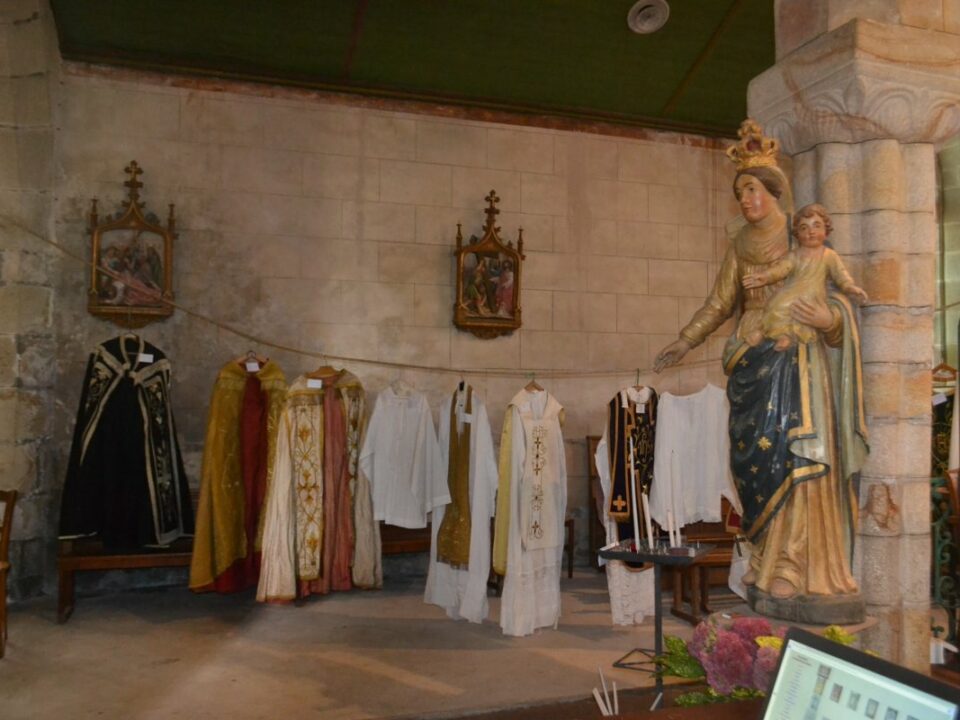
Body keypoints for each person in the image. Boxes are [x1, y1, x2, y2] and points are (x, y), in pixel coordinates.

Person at [654, 120, 868, 619]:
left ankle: (796, 565)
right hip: (751, 359)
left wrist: (829, 320)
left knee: (795, 457)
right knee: (754, 463)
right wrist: (686, 339)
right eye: (739, 193)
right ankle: (769, 559)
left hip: (798, 362)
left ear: (774, 192)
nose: (746, 200)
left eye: (752, 189)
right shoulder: (739, 247)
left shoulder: (803, 237)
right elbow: (719, 302)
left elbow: (838, 302)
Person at [743, 203, 868, 351]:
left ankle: (787, 336)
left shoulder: (829, 255)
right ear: (797, 234)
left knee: (801, 314)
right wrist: (765, 276)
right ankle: (765, 332)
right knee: (775, 305)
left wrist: (849, 287)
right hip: (792, 290)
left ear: (826, 230)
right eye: (804, 228)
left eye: (816, 226)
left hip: (812, 295)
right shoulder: (795, 255)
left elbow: (840, 275)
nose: (811, 232)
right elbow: (781, 269)